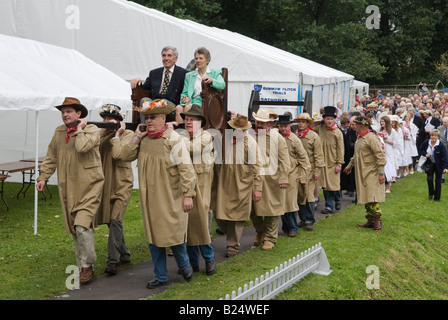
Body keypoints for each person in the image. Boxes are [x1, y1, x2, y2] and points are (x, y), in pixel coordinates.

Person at [120, 98, 196, 289]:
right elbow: (125, 156)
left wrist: (188, 195)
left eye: (153, 118)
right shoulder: (144, 139)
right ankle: (160, 276)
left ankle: (185, 266)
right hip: (150, 199)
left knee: (174, 235)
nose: (149, 122)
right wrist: (136, 136)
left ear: (163, 118)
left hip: (171, 198)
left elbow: (186, 169)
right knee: (154, 238)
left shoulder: (174, 140)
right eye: (146, 118)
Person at [36, 97, 105, 283]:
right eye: (63, 112)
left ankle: (87, 265)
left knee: (82, 226)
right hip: (68, 187)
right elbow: (51, 157)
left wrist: (79, 129)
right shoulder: (59, 132)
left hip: (89, 186)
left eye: (69, 111)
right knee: (75, 228)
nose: (65, 115)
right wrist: (43, 177)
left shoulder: (91, 130)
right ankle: (83, 266)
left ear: (79, 114)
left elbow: (82, 148)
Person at [214, 114, 264, 257]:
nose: (238, 132)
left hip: (242, 184)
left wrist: (258, 188)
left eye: (241, 130)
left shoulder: (251, 143)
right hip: (223, 184)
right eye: (235, 129)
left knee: (237, 217)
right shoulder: (224, 139)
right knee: (219, 213)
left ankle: (232, 246)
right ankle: (229, 234)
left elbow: (257, 166)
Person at [95, 104, 134, 276]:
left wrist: (117, 135)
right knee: (112, 222)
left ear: (119, 121)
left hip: (122, 184)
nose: (106, 123)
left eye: (110, 120)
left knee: (116, 220)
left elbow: (119, 154)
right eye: (104, 120)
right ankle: (124, 254)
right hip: (106, 184)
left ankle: (112, 262)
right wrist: (105, 132)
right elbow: (93, 148)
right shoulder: (101, 134)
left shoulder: (129, 135)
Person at [179, 104, 216, 275]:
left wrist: (176, 138)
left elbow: (192, 148)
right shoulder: (182, 136)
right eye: (186, 119)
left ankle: (209, 259)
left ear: (200, 122)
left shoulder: (206, 137)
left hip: (201, 190)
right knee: (188, 228)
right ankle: (193, 264)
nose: (187, 122)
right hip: (185, 188)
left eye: (192, 120)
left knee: (200, 225)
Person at [250, 109, 290, 251]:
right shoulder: (250, 135)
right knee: (253, 210)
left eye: (262, 122)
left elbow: (285, 159)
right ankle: (260, 232)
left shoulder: (277, 137)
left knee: (271, 210)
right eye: (258, 121)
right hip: (254, 178)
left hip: (273, 179)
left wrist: (283, 177)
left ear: (269, 123)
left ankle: (270, 239)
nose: (259, 124)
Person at [344, 115, 387, 231]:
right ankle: (371, 220)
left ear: (362, 125)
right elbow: (356, 155)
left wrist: (381, 173)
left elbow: (380, 157)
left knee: (372, 197)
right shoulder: (360, 138)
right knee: (366, 196)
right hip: (362, 172)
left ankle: (377, 220)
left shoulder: (371, 138)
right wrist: (349, 166)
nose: (353, 127)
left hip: (372, 172)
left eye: (355, 124)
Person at [277, 115, 311, 237]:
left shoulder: (295, 140)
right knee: (281, 202)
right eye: (281, 126)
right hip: (279, 172)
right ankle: (285, 227)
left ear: (290, 125)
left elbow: (304, 159)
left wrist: (302, 175)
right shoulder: (276, 137)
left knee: (290, 202)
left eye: (285, 126)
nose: (283, 129)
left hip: (292, 173)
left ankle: (293, 227)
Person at [176, 47, 226, 124]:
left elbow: (222, 85)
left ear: (207, 60)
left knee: (188, 107)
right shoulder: (189, 75)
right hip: (191, 102)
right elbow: (184, 92)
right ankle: (181, 133)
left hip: (207, 103)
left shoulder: (214, 72)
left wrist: (212, 80)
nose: (198, 60)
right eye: (196, 58)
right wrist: (185, 98)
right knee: (178, 108)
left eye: (201, 58)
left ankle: (189, 133)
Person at [294, 113, 325, 231]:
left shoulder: (313, 136)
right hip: (297, 169)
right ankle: (302, 219)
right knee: (300, 195)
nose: (301, 124)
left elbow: (318, 155)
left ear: (308, 123)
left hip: (310, 169)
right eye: (299, 121)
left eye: (303, 122)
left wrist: (317, 170)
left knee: (309, 195)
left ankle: (310, 220)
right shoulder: (294, 135)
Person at [314, 106, 344, 214]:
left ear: (334, 119)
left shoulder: (337, 132)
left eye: (331, 119)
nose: (329, 121)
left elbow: (341, 149)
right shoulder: (320, 129)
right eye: (327, 119)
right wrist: (318, 122)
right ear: (324, 119)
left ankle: (338, 198)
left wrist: (339, 164)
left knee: (334, 185)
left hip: (333, 162)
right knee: (325, 185)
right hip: (322, 161)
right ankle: (329, 206)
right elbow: (310, 127)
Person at [419, 129, 448, 202]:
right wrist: (425, 154)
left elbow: (444, 157)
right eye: (432, 135)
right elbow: (421, 150)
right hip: (429, 164)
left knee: (438, 181)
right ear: (430, 136)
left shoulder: (441, 145)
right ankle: (431, 193)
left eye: (435, 136)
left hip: (439, 165)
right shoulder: (426, 142)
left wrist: (445, 167)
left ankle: (437, 198)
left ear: (438, 136)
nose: (433, 137)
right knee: (429, 179)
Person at [379, 115, 397, 193]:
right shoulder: (380, 131)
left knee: (389, 168)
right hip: (381, 150)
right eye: (381, 121)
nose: (381, 123)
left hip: (389, 151)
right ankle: (381, 186)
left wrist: (386, 140)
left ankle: (388, 187)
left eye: (383, 121)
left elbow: (395, 143)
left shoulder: (392, 131)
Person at [339, 116, 357, 197]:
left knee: (352, 173)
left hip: (351, 153)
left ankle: (351, 188)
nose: (349, 126)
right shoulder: (341, 131)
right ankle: (347, 188)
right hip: (345, 153)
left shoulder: (351, 131)